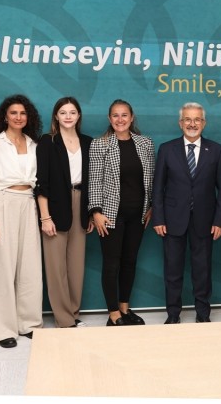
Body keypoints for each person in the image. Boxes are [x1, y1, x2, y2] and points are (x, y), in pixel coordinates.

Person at [152, 102, 221, 324]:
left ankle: (203, 314)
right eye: (188, 119)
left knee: (202, 270)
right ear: (180, 123)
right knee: (172, 271)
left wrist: (220, 221)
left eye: (197, 119)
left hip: (205, 221)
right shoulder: (167, 149)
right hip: (172, 220)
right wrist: (158, 218)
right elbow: (158, 188)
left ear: (204, 123)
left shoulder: (217, 150)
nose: (192, 124)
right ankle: (173, 314)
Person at [0, 94, 43, 347]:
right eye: (13, 113)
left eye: (23, 113)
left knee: (30, 266)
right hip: (2, 202)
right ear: (5, 117)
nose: (18, 117)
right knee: (2, 268)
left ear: (29, 117)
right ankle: (4, 330)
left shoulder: (34, 144)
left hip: (28, 202)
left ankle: (29, 323)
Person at [88, 99, 154, 326]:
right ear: (109, 118)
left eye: (124, 115)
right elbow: (94, 181)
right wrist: (96, 211)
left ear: (131, 117)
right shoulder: (100, 144)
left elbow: (151, 177)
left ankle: (125, 308)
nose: (120, 119)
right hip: (109, 215)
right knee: (111, 263)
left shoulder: (145, 143)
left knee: (130, 261)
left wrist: (151, 206)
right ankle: (113, 313)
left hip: (138, 215)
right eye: (115, 115)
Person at [35, 97, 93, 328]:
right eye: (63, 112)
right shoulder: (47, 141)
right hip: (55, 205)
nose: (68, 116)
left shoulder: (88, 142)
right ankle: (64, 319)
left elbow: (92, 181)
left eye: (72, 112)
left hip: (81, 204)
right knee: (56, 267)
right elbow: (41, 182)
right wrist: (45, 217)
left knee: (76, 266)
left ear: (79, 116)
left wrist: (90, 212)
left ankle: (73, 313)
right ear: (56, 116)